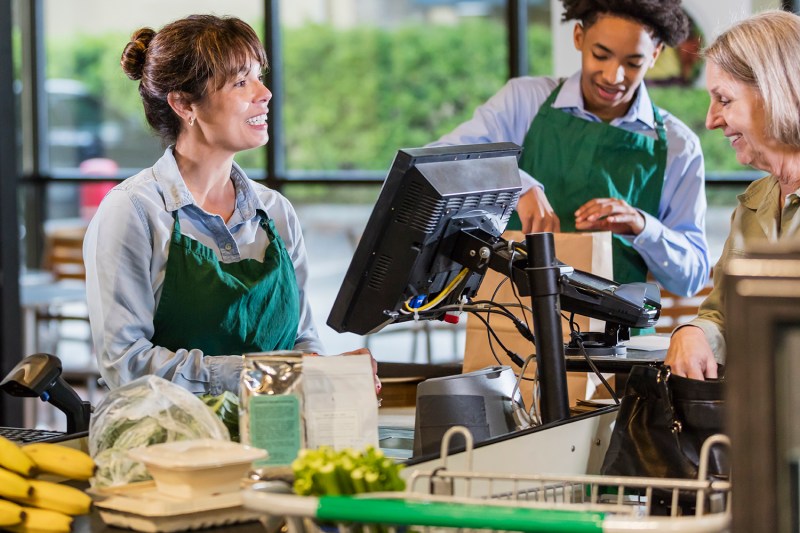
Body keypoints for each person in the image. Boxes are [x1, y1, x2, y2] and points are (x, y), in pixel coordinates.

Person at [84, 15, 377, 395]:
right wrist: (264, 374)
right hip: (171, 444)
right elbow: (126, 364)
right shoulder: (134, 212)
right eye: (241, 82)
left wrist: (327, 375)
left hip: (278, 438)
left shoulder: (276, 212)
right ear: (184, 104)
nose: (264, 93)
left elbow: (303, 341)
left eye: (259, 76)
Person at [430, 0, 710, 297]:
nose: (613, 76)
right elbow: (437, 164)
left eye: (633, 63)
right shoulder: (524, 101)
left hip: (615, 339)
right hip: (505, 323)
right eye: (600, 55)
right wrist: (517, 185)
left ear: (655, 55)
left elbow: (691, 279)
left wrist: (643, 228)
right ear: (578, 37)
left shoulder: (680, 146)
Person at [665, 10, 800, 379]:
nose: (710, 121)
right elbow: (723, 313)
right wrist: (695, 332)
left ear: (777, 93)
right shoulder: (753, 203)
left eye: (724, 100)